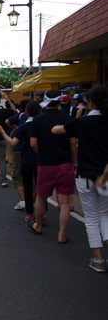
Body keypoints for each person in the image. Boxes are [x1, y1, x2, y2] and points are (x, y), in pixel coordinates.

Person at [52, 86, 108, 271]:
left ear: (90, 103)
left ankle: (99, 259)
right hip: (105, 176)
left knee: (92, 217)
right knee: (104, 214)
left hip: (85, 175)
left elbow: (56, 130)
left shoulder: (82, 122)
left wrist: (77, 117)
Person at [28, 90, 73, 243]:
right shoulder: (67, 118)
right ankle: (62, 234)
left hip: (45, 163)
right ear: (60, 102)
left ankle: (38, 225)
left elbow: (33, 143)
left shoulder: (38, 120)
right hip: (65, 163)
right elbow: (72, 142)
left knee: (41, 197)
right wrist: (74, 161)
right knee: (65, 201)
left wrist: (42, 153)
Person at [0, 100, 41, 223]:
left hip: (26, 157)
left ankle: (29, 211)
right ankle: (43, 212)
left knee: (25, 182)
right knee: (39, 184)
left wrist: (2, 132)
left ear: (26, 111)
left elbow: (13, 142)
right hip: (41, 159)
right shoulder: (43, 124)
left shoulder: (23, 127)